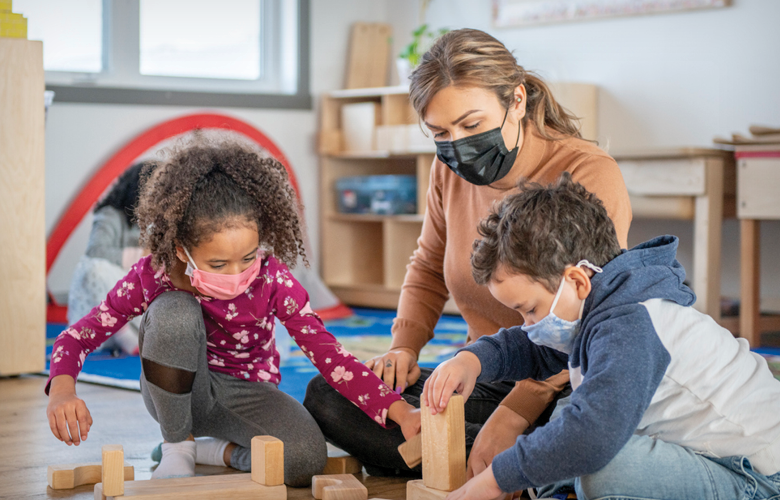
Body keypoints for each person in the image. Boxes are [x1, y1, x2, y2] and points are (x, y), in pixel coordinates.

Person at [304, 28, 632, 477]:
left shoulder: (587, 171)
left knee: (590, 433)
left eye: (472, 125)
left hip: (567, 383)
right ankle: (528, 468)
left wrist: (512, 417)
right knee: (330, 394)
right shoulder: (447, 171)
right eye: (440, 131)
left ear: (516, 101)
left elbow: (593, 316)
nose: (457, 144)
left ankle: (523, 459)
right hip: (484, 369)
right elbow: (426, 267)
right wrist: (403, 348)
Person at [45, 137, 420, 486]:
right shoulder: (153, 275)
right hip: (178, 390)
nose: (238, 275)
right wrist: (62, 389)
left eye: (248, 257)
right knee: (175, 312)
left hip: (247, 393)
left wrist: (399, 411)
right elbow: (79, 335)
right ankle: (177, 446)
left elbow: (329, 355)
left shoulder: (274, 279)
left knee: (304, 459)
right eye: (219, 263)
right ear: (180, 249)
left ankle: (213, 450)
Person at [424, 174, 780, 500]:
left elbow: (592, 436)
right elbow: (535, 347)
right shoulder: (601, 302)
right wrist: (473, 359)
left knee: (600, 466)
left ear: (577, 281)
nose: (529, 323)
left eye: (529, 309)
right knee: (564, 432)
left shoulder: (629, 323)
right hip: (703, 450)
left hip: (758, 476)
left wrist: (496, 479)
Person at [68, 162, 153, 355]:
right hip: (104, 290)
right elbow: (96, 251)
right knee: (93, 269)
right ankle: (124, 336)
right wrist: (142, 255)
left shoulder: (154, 221)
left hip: (131, 291)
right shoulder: (110, 215)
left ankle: (139, 334)